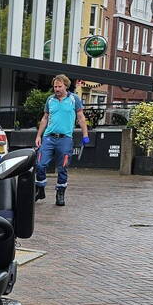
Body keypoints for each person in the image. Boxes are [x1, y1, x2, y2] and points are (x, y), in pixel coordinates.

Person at [33, 74, 89, 207]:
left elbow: (81, 118)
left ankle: (60, 193)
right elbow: (45, 118)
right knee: (40, 164)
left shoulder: (74, 99)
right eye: (55, 86)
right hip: (49, 137)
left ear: (66, 86)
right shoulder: (50, 100)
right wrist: (38, 136)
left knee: (62, 167)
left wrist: (85, 135)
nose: (56, 89)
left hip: (65, 139)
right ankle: (40, 189)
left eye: (59, 86)